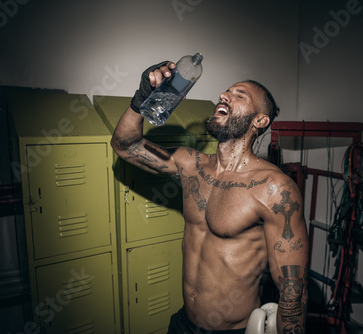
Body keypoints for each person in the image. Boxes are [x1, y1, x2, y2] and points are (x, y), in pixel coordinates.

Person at [111, 61, 309, 334]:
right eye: (226, 91)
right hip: (184, 324)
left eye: (240, 95)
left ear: (260, 121)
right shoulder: (190, 164)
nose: (224, 96)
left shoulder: (274, 188)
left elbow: (292, 292)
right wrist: (141, 99)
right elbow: (125, 145)